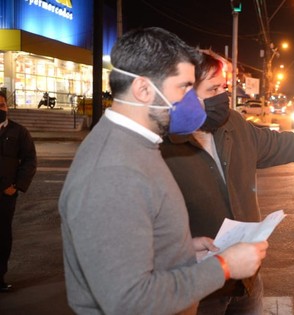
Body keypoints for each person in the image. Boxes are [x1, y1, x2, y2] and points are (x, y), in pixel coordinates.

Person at [58, 28, 268, 315]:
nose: (194, 102)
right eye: (183, 87)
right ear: (143, 90)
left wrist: (180, 249)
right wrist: (224, 266)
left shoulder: (136, 145)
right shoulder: (113, 172)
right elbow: (129, 301)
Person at [160, 50, 294, 314]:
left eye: (224, 87)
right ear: (186, 93)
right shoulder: (160, 147)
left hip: (246, 280)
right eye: (213, 89)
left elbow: (278, 143)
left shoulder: (233, 125)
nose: (222, 97)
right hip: (199, 286)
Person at [0, 90, 37, 293]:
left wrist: (16, 186)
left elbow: (30, 160)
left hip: (5, 195)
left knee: (3, 237)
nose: (0, 109)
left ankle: (0, 277)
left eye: (2, 105)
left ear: (7, 107)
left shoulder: (18, 132)